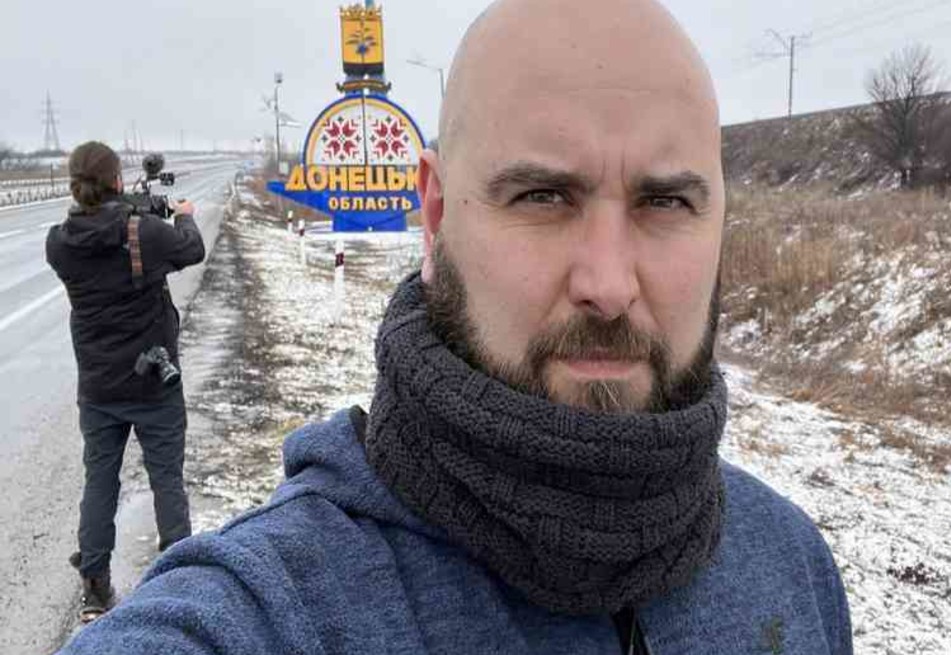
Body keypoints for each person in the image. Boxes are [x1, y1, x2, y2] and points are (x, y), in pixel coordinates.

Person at [58, 1, 852, 653]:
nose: (609, 286)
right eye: (543, 196)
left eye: (666, 201)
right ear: (435, 218)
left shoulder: (793, 565)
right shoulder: (274, 608)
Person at [46, 141, 205, 623]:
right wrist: (184, 216)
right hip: (153, 381)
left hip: (98, 388)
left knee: (100, 481)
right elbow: (191, 248)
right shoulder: (145, 233)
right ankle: (177, 581)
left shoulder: (59, 243)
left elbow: (98, 240)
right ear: (117, 181)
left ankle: (95, 587)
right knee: (166, 479)